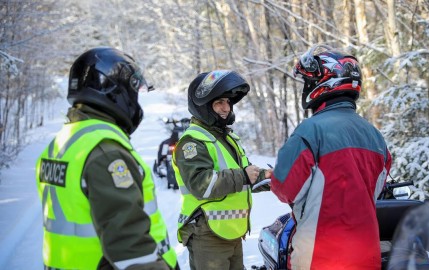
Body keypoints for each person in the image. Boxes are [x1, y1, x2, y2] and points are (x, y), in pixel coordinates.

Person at [35, 47, 178, 270]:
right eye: (133, 93)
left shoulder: (62, 143)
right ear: (114, 92)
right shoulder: (106, 151)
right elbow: (129, 247)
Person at [270, 45, 392, 270]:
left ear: (320, 84)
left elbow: (284, 188)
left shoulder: (309, 132)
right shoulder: (376, 136)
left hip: (319, 257)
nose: (305, 88)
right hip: (367, 255)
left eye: (307, 82)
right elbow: (375, 190)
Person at [173, 70, 271, 270]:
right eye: (219, 103)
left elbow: (246, 174)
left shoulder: (227, 138)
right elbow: (201, 184)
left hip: (232, 231)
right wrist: (243, 176)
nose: (226, 108)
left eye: (228, 102)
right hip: (207, 234)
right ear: (203, 105)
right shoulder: (192, 142)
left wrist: (271, 178)